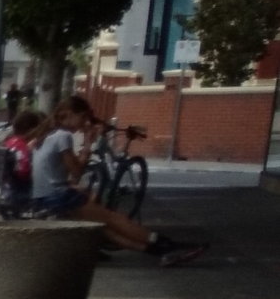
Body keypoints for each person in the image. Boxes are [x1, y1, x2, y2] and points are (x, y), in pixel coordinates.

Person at [26, 95, 199, 265]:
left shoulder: (48, 134)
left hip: (43, 196)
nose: (84, 123)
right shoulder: (62, 136)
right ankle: (166, 244)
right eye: (83, 117)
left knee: (104, 228)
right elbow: (77, 171)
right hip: (57, 196)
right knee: (113, 218)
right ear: (69, 114)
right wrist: (88, 144)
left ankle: (158, 251)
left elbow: (57, 171)